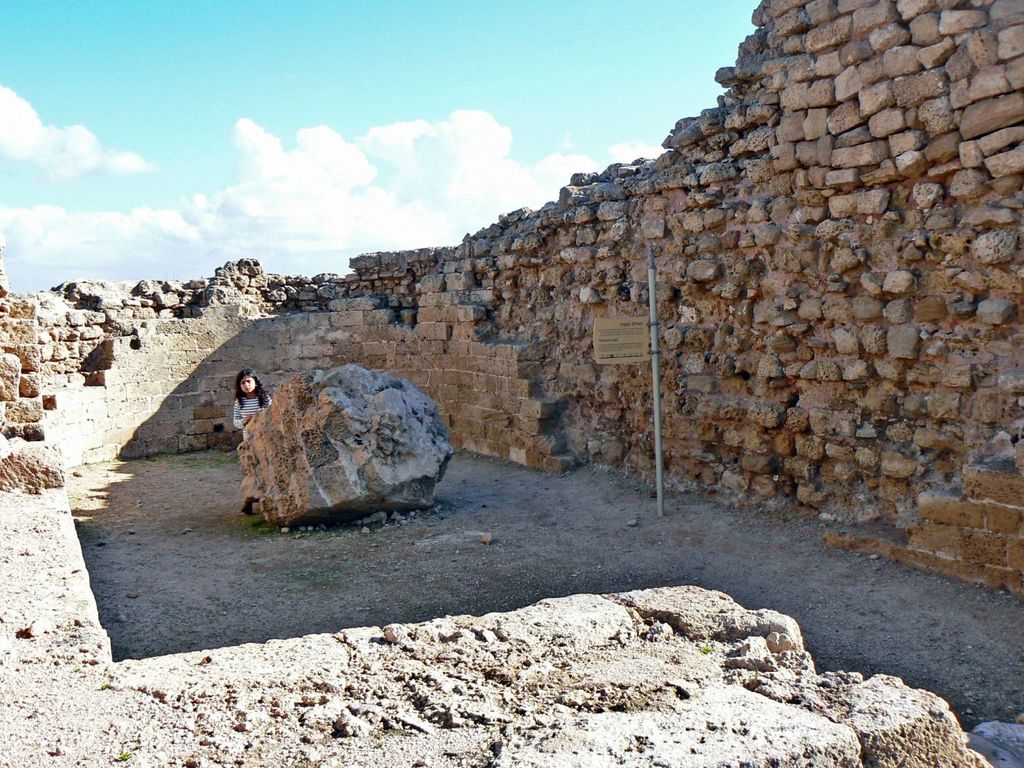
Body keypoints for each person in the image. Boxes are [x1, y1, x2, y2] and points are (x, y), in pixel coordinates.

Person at [233, 368, 272, 515]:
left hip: (264, 440)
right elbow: (235, 422)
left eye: (248, 381)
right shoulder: (239, 402)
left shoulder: (265, 399)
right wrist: (244, 421)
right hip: (248, 442)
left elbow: (271, 415)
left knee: (266, 470)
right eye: (242, 382)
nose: (246, 385)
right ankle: (249, 500)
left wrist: (259, 417)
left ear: (255, 382)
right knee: (252, 472)